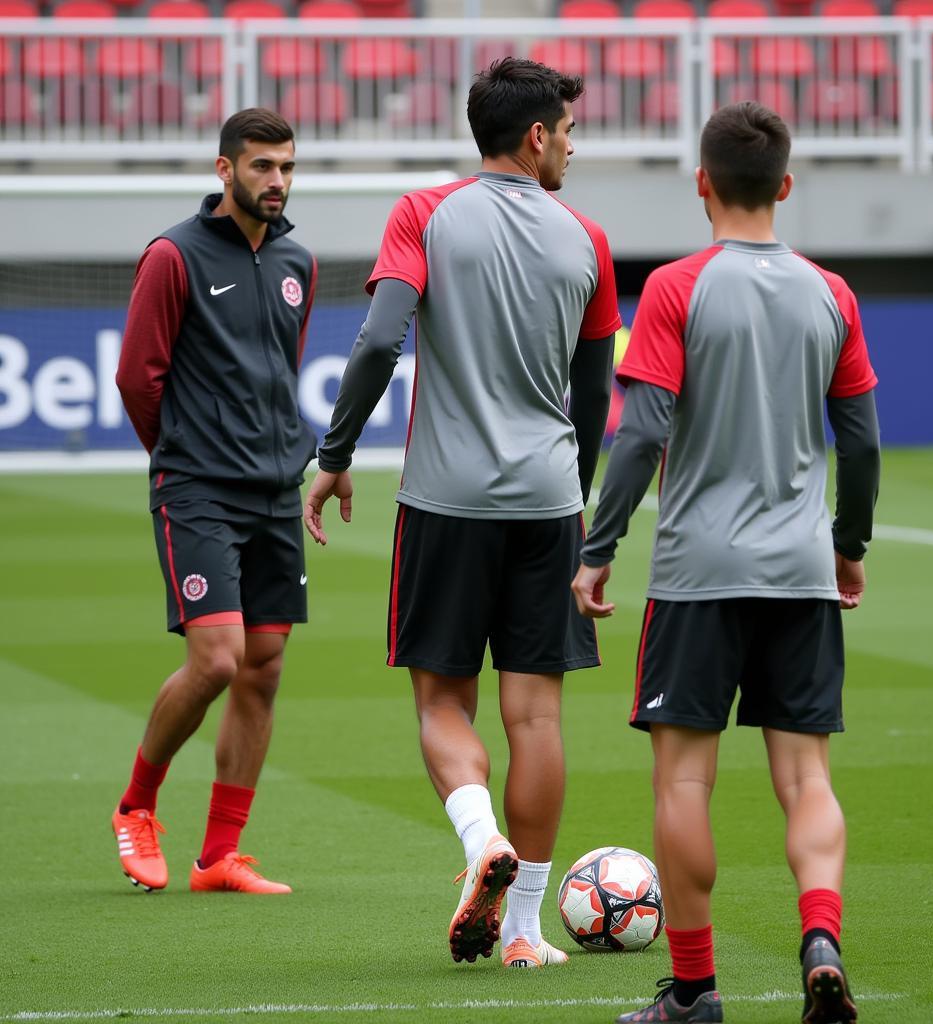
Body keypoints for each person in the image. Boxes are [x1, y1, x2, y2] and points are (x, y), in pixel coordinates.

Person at [304, 58, 620, 968]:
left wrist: (334, 455)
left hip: (445, 500)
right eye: (567, 130)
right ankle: (523, 931)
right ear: (535, 136)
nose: (572, 145)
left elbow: (377, 341)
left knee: (443, 701)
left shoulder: (423, 214)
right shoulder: (589, 239)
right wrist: (579, 495)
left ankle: (482, 838)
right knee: (539, 720)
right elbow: (595, 393)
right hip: (550, 503)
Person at [572, 101, 880, 1024]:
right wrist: (848, 548)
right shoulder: (834, 293)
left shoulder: (675, 287)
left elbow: (641, 434)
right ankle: (820, 937)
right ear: (784, 186)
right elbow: (860, 441)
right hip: (800, 572)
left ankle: (696, 993)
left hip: (699, 575)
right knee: (807, 780)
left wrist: (596, 548)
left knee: (682, 782)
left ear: (700, 182)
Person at [112, 108, 317, 895]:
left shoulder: (299, 258)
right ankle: (135, 806)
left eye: (288, 167)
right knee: (218, 659)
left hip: (274, 490)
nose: (277, 181)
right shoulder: (173, 256)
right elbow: (139, 377)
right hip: (197, 487)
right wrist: (185, 458)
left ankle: (218, 857)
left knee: (262, 668)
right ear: (224, 169)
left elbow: (281, 372)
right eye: (262, 166)